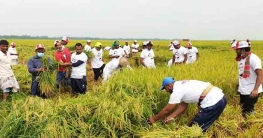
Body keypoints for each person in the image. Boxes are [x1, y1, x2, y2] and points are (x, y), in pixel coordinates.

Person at [148, 77, 227, 132]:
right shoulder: (181, 84)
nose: (166, 91)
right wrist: (171, 117)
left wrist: (154, 119)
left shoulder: (176, 91)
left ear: (169, 85)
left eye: (165, 88)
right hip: (220, 98)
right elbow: (183, 106)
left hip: (213, 102)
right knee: (201, 126)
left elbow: (167, 110)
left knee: (194, 129)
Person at [233, 40, 263, 117]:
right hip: (243, 90)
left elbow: (260, 75)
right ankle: (244, 125)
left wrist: (255, 89)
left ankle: (251, 124)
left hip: (251, 91)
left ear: (243, 50)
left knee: (249, 111)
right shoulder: (241, 59)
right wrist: (239, 86)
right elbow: (241, 74)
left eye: (237, 49)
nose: (236, 51)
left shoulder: (254, 59)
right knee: (243, 109)